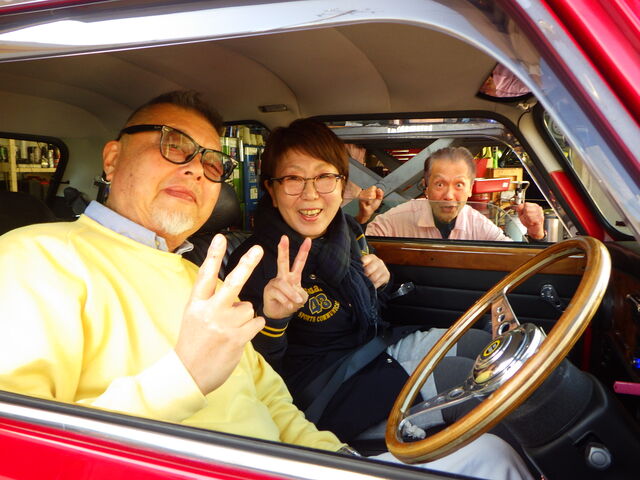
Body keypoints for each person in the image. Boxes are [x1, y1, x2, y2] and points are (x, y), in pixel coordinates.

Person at [0, 93, 532, 479]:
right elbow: (20, 454)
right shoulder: (37, 257)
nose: (197, 170)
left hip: (298, 459)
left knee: (496, 457)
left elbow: (274, 401)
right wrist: (185, 375)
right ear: (113, 158)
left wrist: (334, 459)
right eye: (173, 146)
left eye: (212, 162)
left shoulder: (198, 273)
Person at [227, 118, 534, 479]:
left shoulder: (347, 231)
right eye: (293, 179)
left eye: (325, 177)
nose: (310, 194)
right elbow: (249, 377)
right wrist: (274, 321)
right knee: (473, 383)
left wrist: (383, 283)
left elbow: (369, 311)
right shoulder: (254, 261)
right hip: (327, 389)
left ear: (342, 183)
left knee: (482, 345)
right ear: (271, 188)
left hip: (374, 349)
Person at [364, 146, 546, 241]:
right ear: (426, 186)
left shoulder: (478, 224)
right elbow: (361, 249)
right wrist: (362, 218)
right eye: (440, 184)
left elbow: (513, 261)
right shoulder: (395, 220)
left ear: (470, 188)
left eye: (459, 185)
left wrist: (536, 233)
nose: (449, 195)